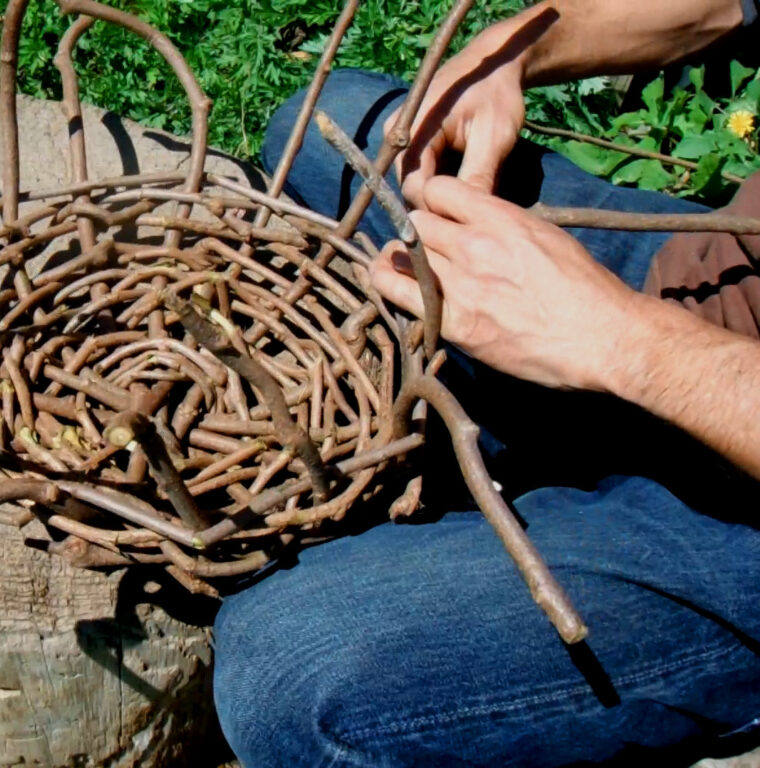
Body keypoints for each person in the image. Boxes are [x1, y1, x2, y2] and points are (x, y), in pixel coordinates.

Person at [211, 1, 760, 765]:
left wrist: (622, 343)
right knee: (332, 127)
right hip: (714, 283)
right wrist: (517, 53)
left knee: (293, 667)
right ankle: (554, 446)